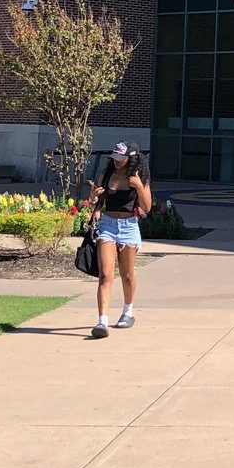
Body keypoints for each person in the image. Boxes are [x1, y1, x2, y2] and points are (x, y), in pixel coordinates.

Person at [84, 142, 152, 338]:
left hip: (129, 227)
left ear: (132, 159)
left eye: (121, 159)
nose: (117, 162)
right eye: (115, 158)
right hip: (108, 225)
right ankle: (102, 322)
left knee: (128, 274)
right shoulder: (106, 175)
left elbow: (147, 207)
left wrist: (139, 186)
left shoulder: (139, 177)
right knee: (106, 275)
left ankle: (128, 311)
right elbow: (97, 202)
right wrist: (94, 196)